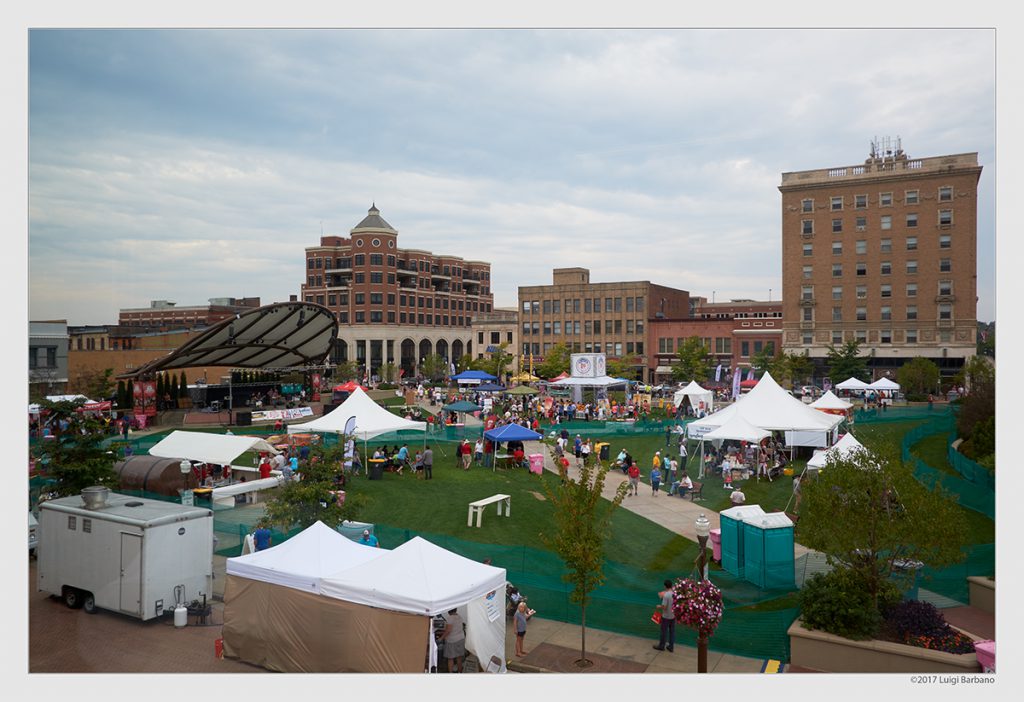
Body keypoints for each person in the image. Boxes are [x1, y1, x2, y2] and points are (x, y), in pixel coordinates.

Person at [440, 608, 466, 673]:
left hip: (452, 640)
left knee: (450, 658)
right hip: (461, 639)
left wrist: (441, 638)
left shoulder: (450, 618)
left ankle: (450, 674)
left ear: (449, 611)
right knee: (459, 657)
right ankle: (460, 672)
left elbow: (448, 631)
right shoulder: (459, 616)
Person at [653, 579, 676, 652]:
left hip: (666, 616)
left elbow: (664, 607)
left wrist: (658, 606)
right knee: (672, 632)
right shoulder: (674, 593)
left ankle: (661, 646)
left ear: (665, 586)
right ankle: (671, 646)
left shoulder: (666, 595)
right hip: (673, 615)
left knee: (664, 631)